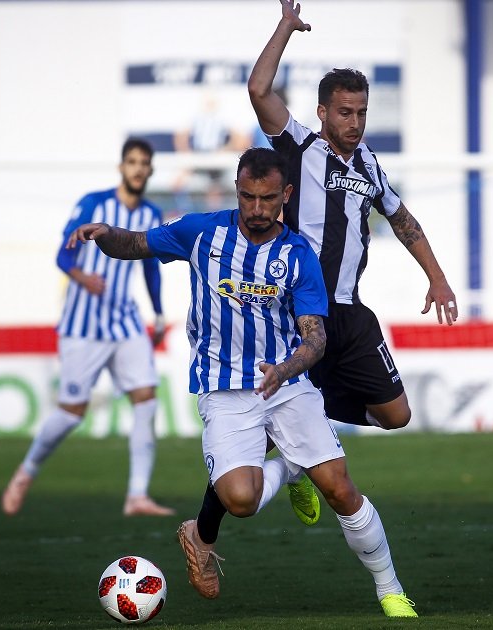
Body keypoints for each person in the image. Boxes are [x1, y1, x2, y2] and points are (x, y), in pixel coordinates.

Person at [183, 0, 460, 599]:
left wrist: (436, 278)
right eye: (344, 111)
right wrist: (285, 27)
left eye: (361, 112)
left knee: (397, 416)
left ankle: (293, 460)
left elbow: (403, 220)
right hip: (298, 314)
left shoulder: (370, 166)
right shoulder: (298, 145)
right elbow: (259, 89)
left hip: (350, 313)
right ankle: (215, 527)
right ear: (323, 112)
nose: (354, 122)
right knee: (262, 447)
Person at [66, 147, 418, 618]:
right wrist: (105, 234)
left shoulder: (298, 255)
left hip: (286, 385)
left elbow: (315, 338)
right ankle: (283, 473)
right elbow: (136, 244)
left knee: (340, 490)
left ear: (285, 195)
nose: (256, 208)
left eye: (267, 198)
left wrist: (286, 370)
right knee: (240, 500)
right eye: (248, 196)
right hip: (224, 387)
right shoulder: (201, 232)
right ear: (237, 189)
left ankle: (391, 590)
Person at [1, 138, 174, 518]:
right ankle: (26, 471)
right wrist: (82, 278)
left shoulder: (151, 213)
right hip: (83, 323)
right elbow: (62, 254)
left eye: (144, 162)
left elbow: (150, 267)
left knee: (146, 399)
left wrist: (159, 314)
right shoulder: (94, 203)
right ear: (121, 167)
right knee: (71, 412)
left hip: (125, 321)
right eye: (132, 161)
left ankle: (137, 495)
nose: (138, 168)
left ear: (150, 170)